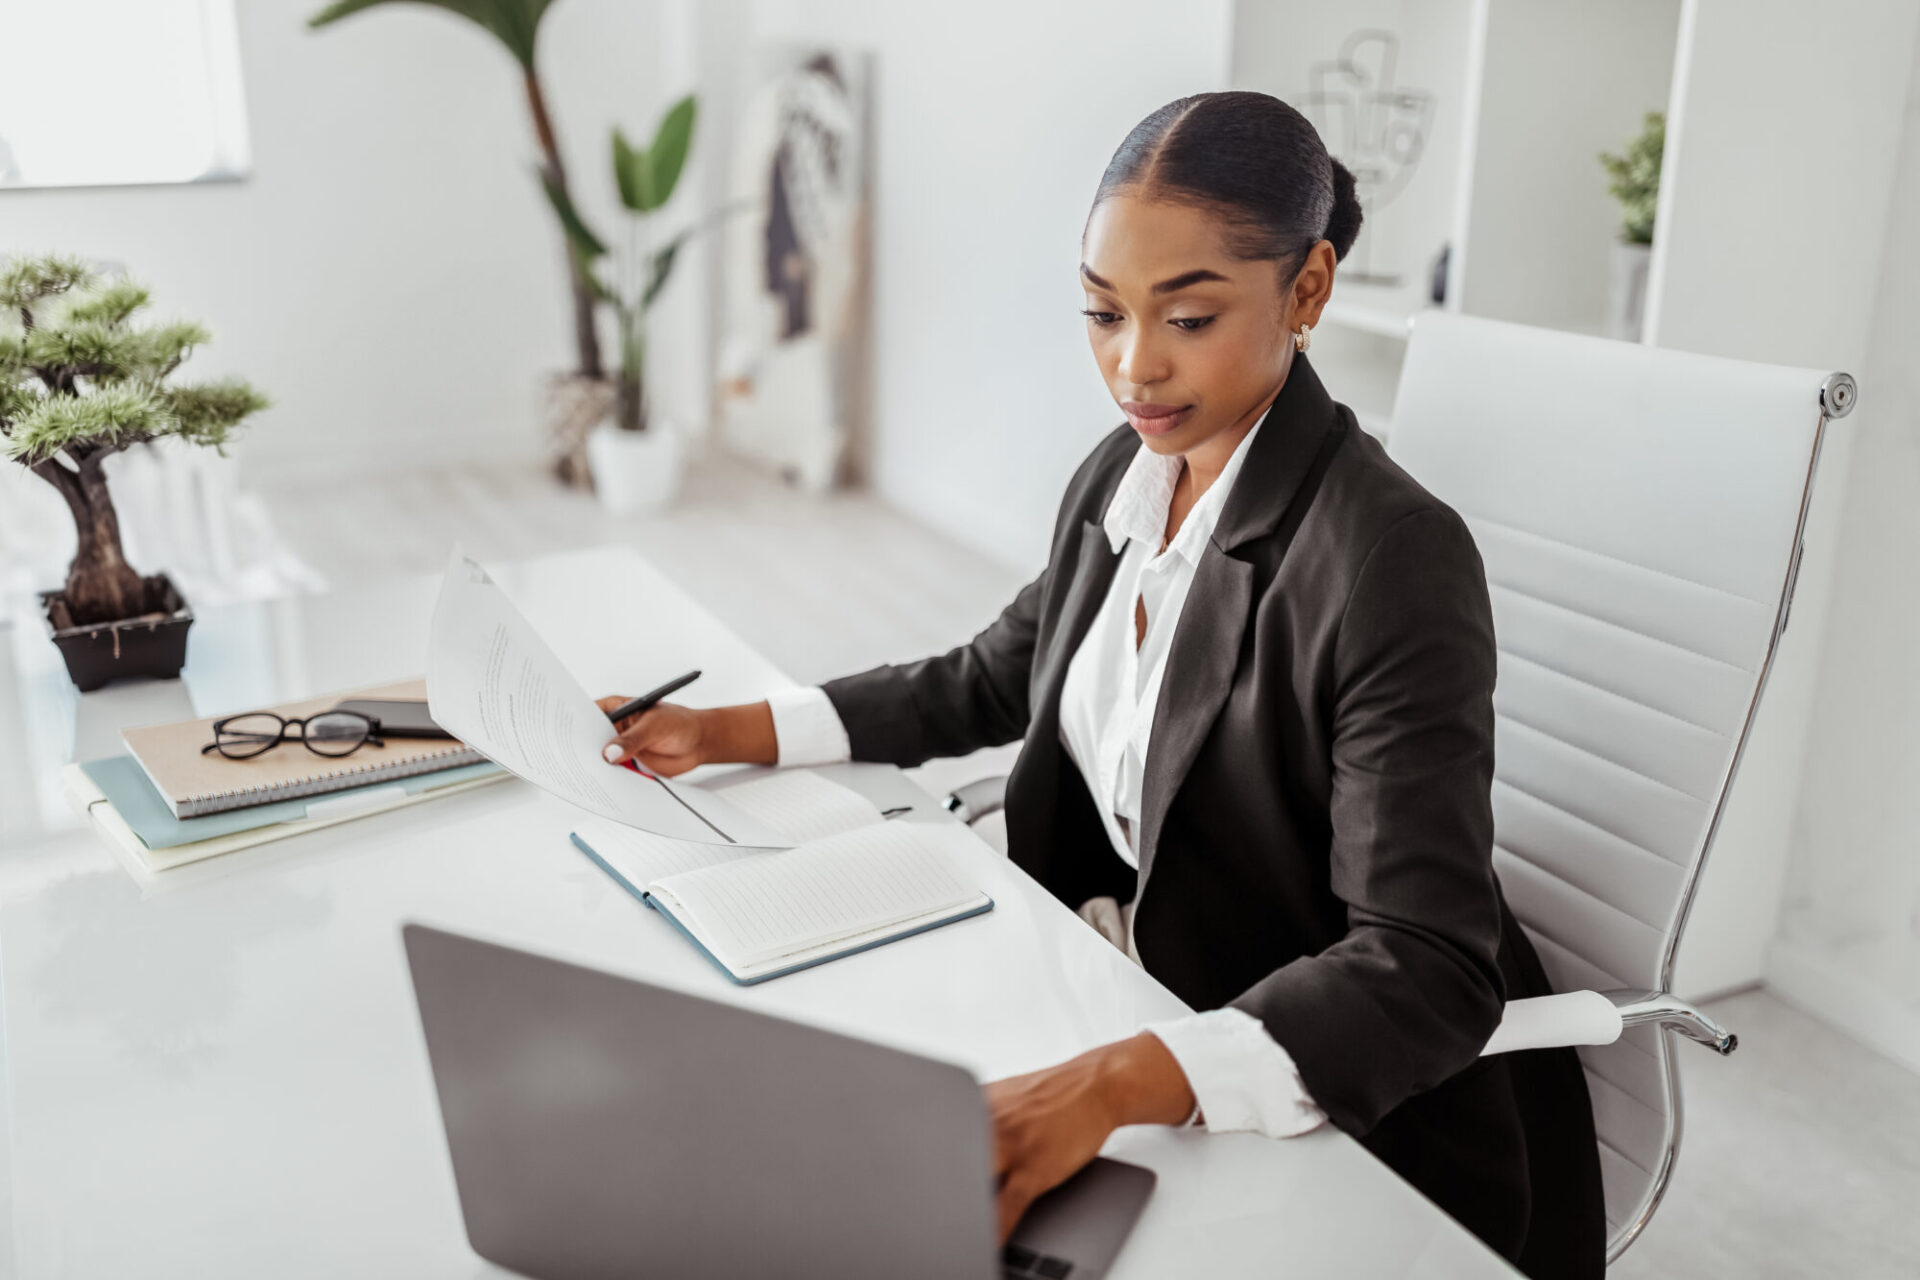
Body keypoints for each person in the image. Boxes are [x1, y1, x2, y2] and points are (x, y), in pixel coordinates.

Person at [596, 90, 1604, 1278]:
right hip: (1127, 996)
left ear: (1308, 290)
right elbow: (998, 673)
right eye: (1101, 312)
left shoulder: (1392, 557)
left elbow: (1426, 961)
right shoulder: (1132, 471)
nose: (1135, 365)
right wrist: (730, 727)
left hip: (1339, 1107)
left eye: (1187, 315)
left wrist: (1120, 1079)